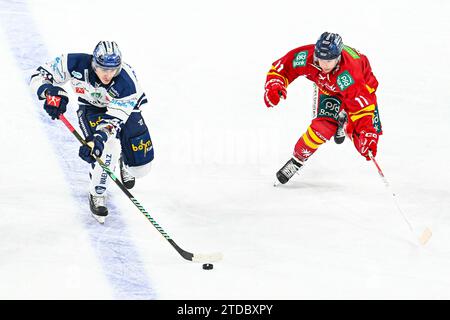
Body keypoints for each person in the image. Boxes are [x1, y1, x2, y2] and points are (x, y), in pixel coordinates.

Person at [30, 41, 154, 223]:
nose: (108, 74)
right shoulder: (74, 62)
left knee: (140, 169)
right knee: (105, 151)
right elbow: (39, 75)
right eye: (103, 69)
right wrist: (48, 91)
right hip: (91, 108)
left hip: (125, 110)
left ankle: (126, 160)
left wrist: (98, 137)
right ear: (94, 63)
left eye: (113, 70)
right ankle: (98, 191)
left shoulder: (127, 84)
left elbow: (113, 120)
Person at [264, 32, 382, 185]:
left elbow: (361, 107)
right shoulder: (307, 56)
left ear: (338, 57)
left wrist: (367, 132)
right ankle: (297, 160)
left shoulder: (350, 73)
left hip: (361, 89)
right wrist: (274, 86)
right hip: (330, 90)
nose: (324, 64)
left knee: (363, 142)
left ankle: (345, 123)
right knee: (322, 128)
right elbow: (282, 67)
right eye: (321, 59)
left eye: (330, 60)